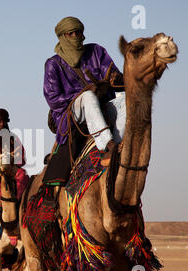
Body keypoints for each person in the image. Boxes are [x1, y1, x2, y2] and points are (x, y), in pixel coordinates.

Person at [43, 16, 125, 184]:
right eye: (70, 34)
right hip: (70, 113)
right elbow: (53, 99)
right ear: (62, 37)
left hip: (101, 106)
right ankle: (107, 145)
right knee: (87, 97)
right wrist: (85, 91)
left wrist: (112, 81)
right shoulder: (53, 64)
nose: (75, 37)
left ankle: (117, 145)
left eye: (78, 32)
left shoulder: (96, 52)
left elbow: (116, 79)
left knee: (126, 100)